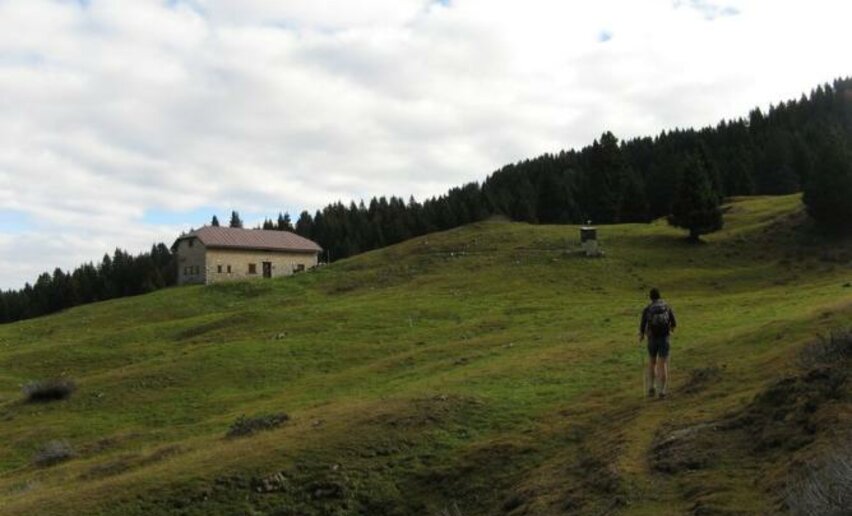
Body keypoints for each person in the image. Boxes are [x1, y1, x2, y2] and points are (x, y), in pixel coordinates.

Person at [639, 288, 677, 399]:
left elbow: (642, 325)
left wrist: (642, 335)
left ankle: (651, 387)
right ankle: (662, 391)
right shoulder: (666, 307)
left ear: (650, 297)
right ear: (660, 296)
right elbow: (674, 323)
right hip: (664, 338)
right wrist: (669, 331)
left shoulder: (648, 309)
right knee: (663, 364)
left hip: (652, 339)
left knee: (652, 362)